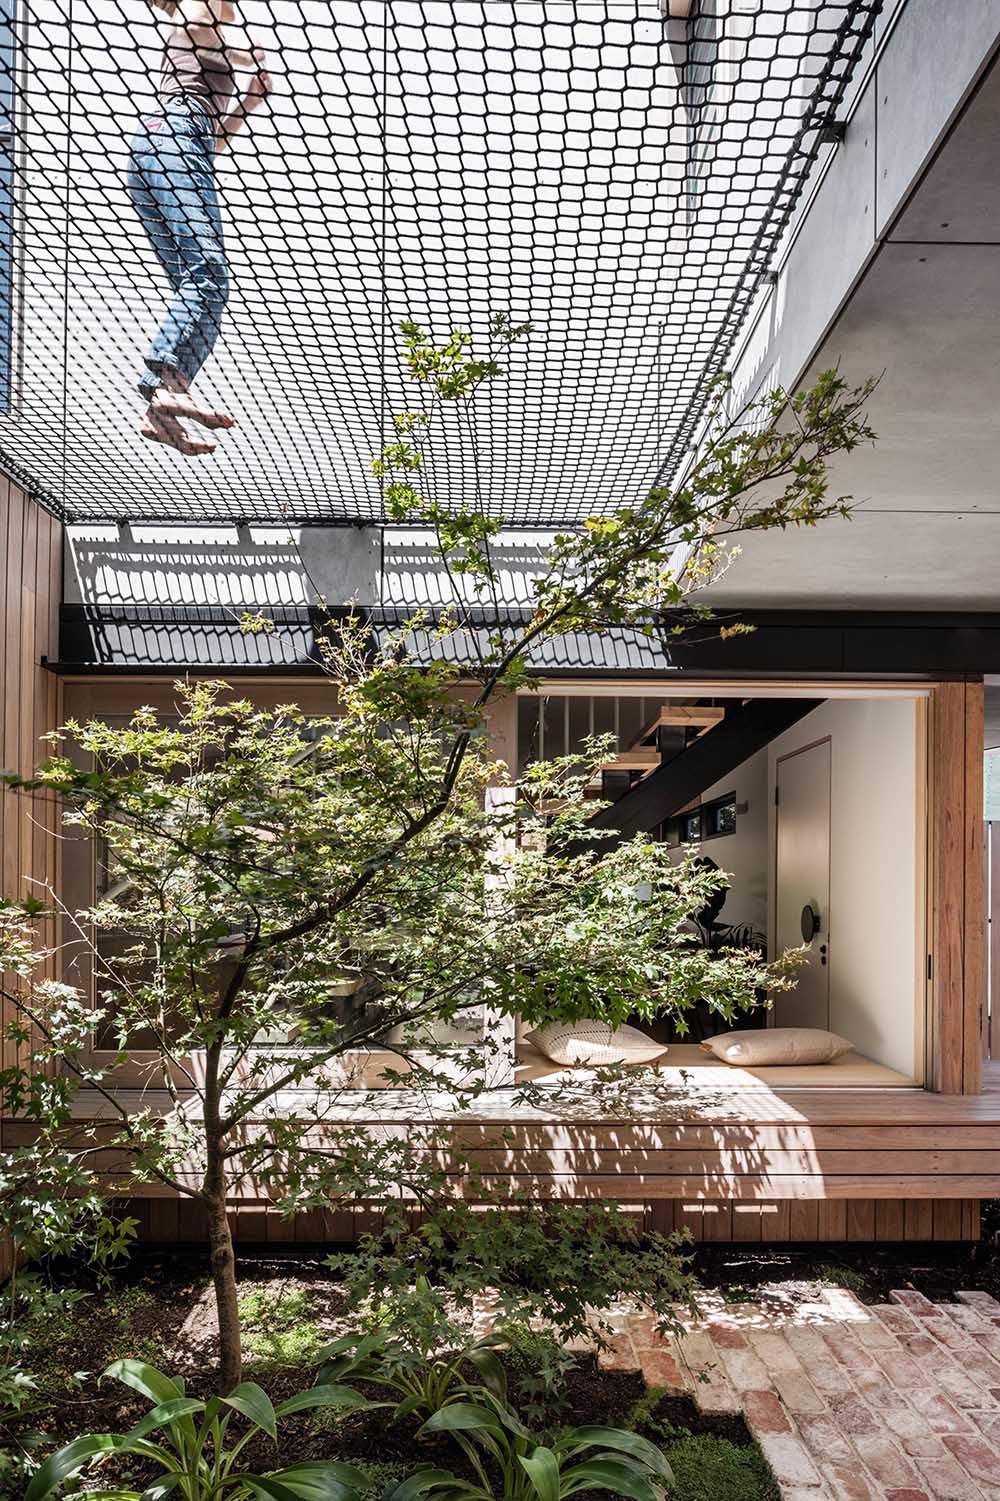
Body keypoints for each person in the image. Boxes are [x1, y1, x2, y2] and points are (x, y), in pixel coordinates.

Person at [127, 0, 272, 455]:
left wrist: (248, 101)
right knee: (207, 271)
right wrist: (250, 55)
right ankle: (163, 381)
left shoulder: (210, 40)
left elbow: (215, 142)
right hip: (170, 138)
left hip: (181, 149)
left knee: (210, 286)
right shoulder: (192, 24)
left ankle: (161, 405)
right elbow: (203, 18)